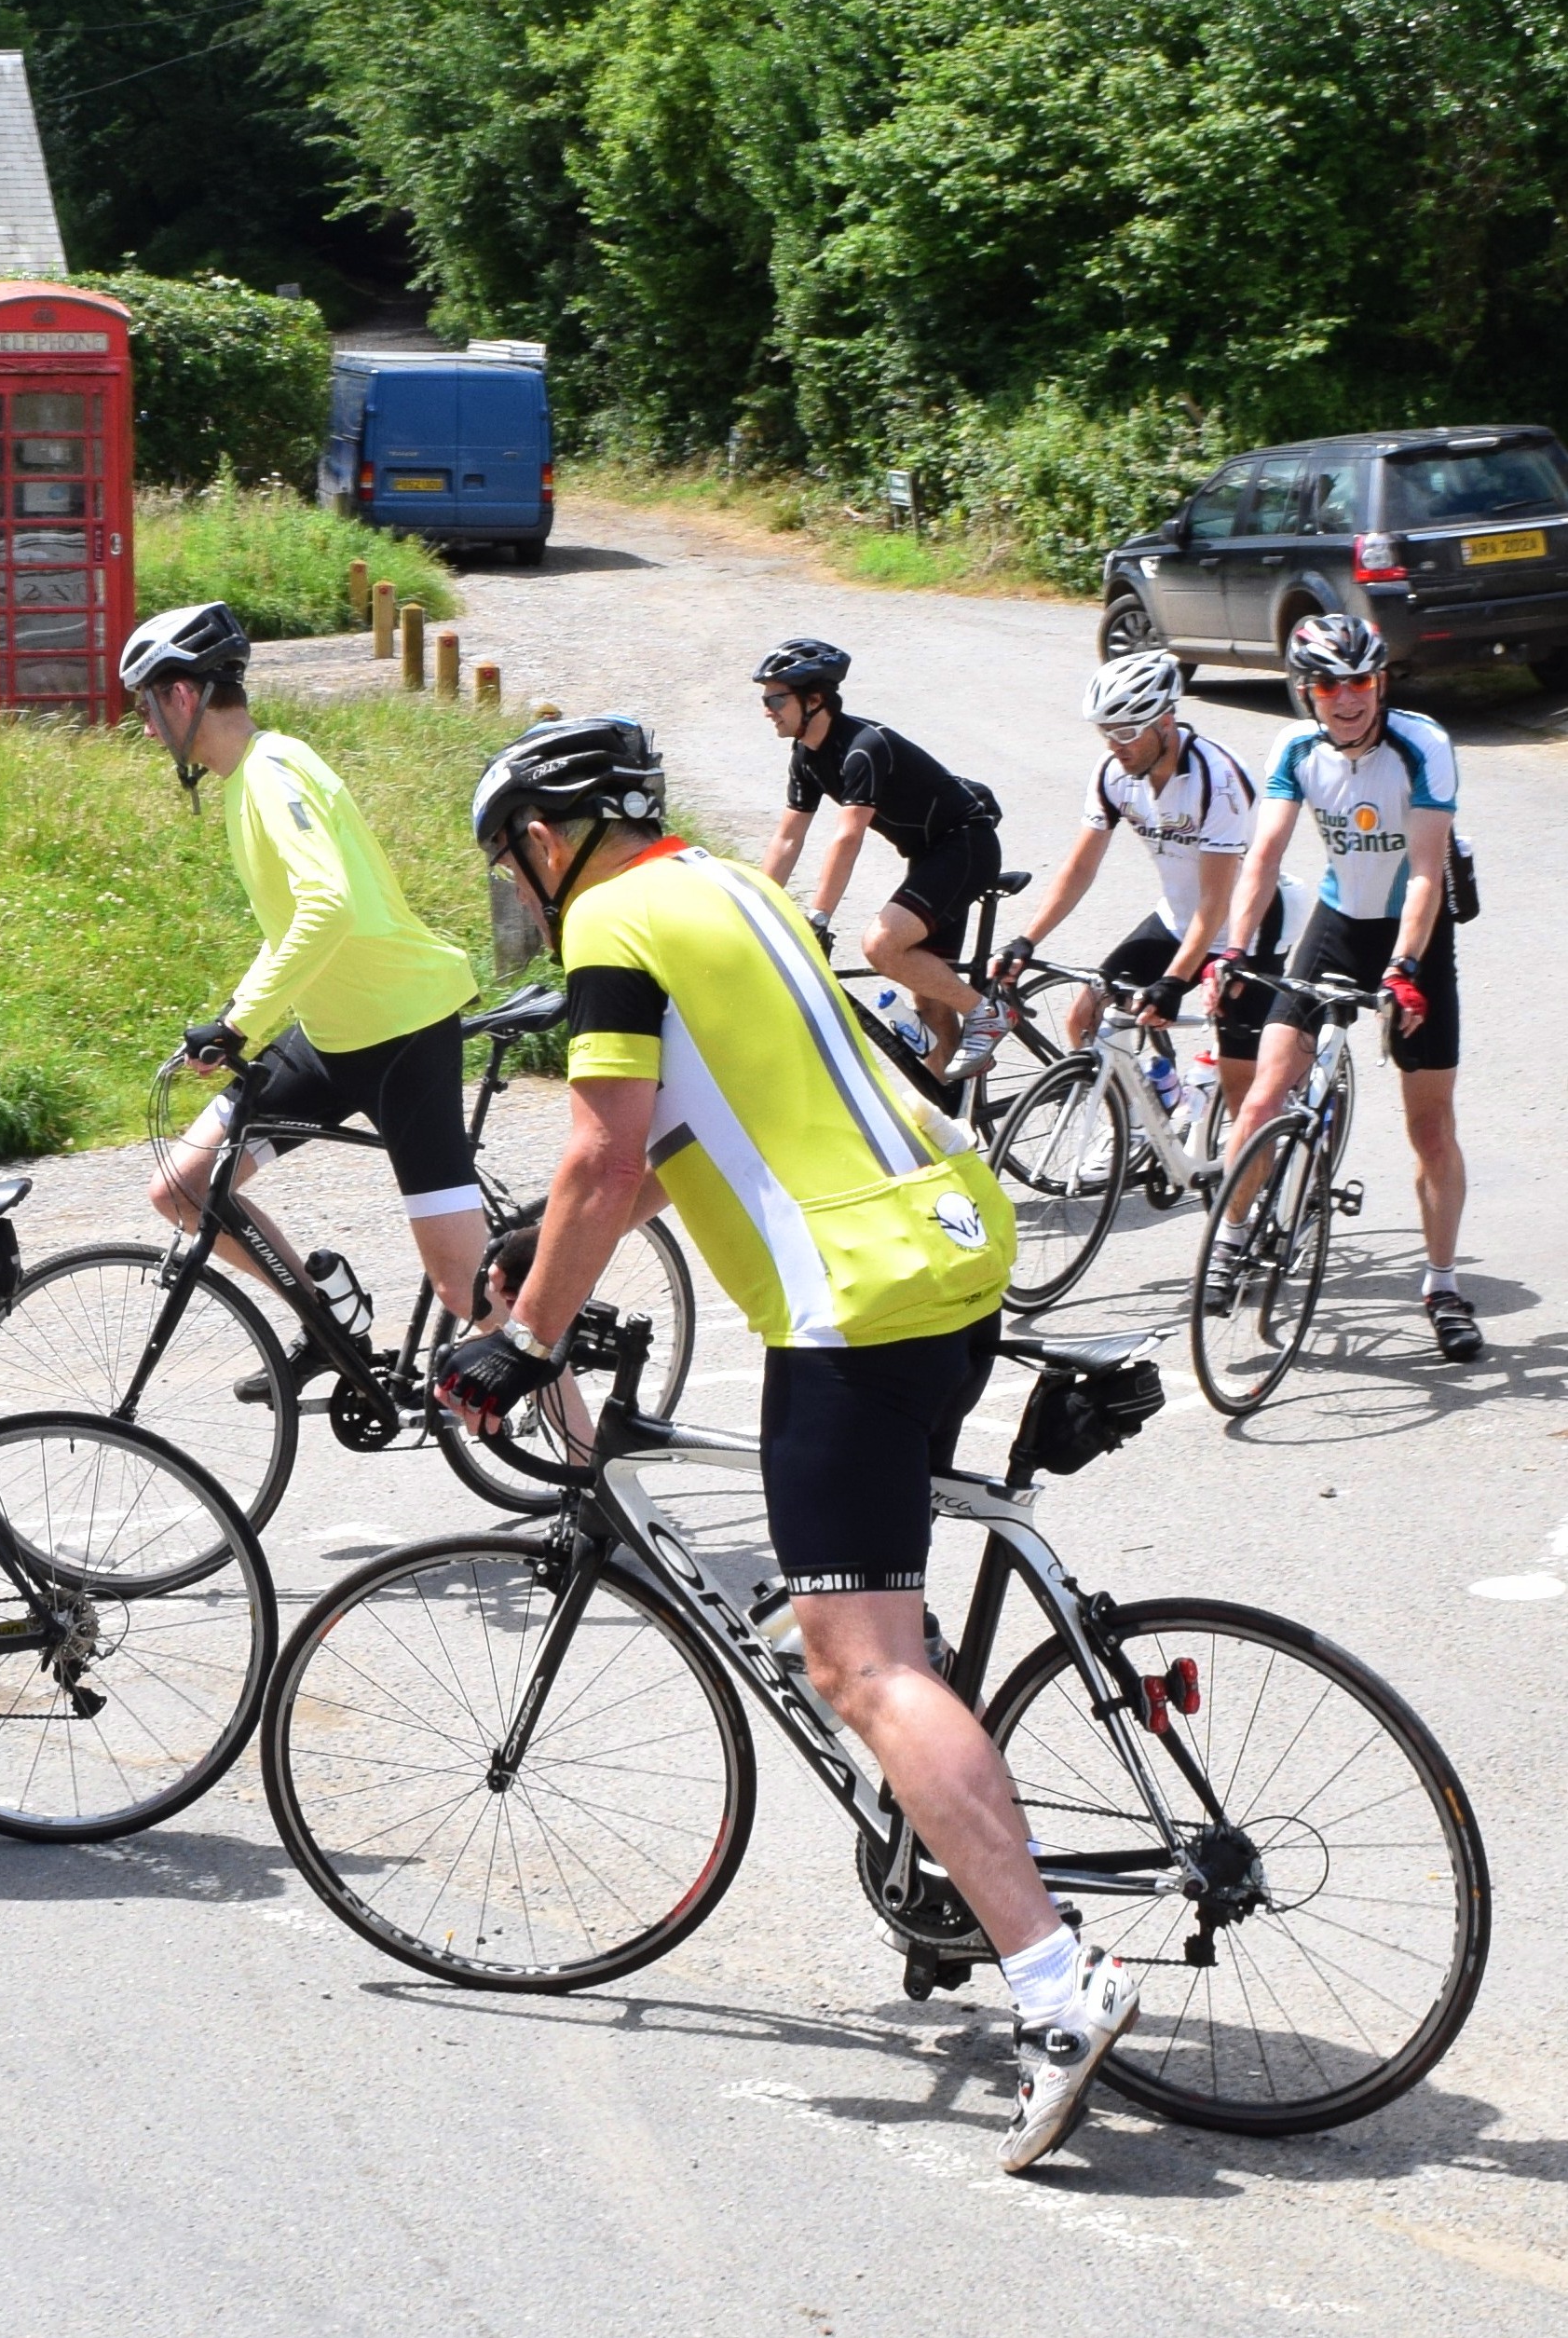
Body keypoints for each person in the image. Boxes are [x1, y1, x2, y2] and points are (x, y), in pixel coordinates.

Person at [435, 713, 1138, 2175]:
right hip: (947, 1234)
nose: (520, 880)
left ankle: (1056, 1991)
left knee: (854, 1657)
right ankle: (936, 1845)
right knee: (870, 1589)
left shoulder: (612, 922)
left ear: (547, 837)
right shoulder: (731, 889)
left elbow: (604, 1149)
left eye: (512, 857)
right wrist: (546, 1263)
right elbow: (696, 1136)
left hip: (852, 1298)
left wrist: (525, 1341)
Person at [113, 601, 486, 1319]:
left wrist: (238, 1024)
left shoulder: (270, 776)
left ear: (183, 695)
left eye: (147, 707)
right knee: (182, 1186)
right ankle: (329, 1319)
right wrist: (229, 1015)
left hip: (401, 1034)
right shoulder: (248, 779)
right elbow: (295, 924)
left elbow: (329, 906)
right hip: (328, 1036)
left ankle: (582, 1432)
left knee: (466, 1293)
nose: (148, 727)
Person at [1209, 616, 1478, 1360]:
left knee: (1428, 1125)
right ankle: (1228, 1242)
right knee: (1263, 1096)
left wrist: (1403, 969)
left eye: (1359, 680)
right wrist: (1231, 948)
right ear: (1305, 691)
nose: (1345, 698)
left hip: (1411, 934)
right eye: (1328, 684)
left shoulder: (1420, 744)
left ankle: (1441, 1284)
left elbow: (1426, 869)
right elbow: (1262, 855)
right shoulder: (1294, 748)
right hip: (1333, 923)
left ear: (1379, 682)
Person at [992, 649, 1272, 1087]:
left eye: (1125, 732)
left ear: (1165, 722)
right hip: (1179, 919)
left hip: (1246, 930)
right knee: (1084, 1019)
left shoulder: (1218, 779)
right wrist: (1027, 940)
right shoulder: (1113, 774)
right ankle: (1138, 1125)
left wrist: (1175, 980)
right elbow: (1080, 868)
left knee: (1241, 1086)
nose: (1113, 745)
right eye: (1105, 732)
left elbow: (1216, 901)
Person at [755, 637, 1008, 1074]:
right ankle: (951, 1111)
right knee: (928, 997)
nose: (767, 710)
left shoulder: (864, 747)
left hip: (965, 844)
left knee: (882, 946)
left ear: (814, 700)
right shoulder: (806, 755)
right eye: (765, 699)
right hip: (929, 857)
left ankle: (987, 1013)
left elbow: (847, 837)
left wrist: (819, 917)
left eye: (776, 698)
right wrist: (754, 905)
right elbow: (787, 839)